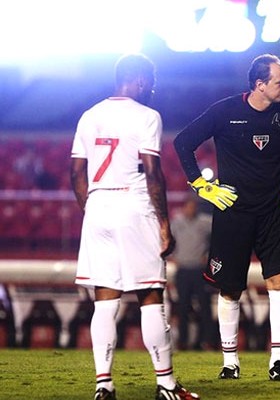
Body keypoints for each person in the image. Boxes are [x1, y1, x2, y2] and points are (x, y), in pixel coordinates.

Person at [174, 54, 280, 381]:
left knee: (279, 282)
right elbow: (183, 142)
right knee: (230, 289)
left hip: (274, 211)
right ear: (259, 85)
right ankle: (230, 362)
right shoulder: (225, 111)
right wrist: (200, 185)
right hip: (232, 213)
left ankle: (278, 361)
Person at [70, 53, 200, 400]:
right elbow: (153, 172)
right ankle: (167, 385)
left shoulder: (89, 115)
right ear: (140, 80)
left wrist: (93, 209)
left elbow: (76, 172)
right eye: (152, 81)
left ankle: (104, 385)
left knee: (105, 301)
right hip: (133, 204)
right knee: (151, 296)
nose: (153, 89)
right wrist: (162, 223)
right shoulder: (147, 116)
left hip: (97, 206)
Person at [170, 196, 214, 351]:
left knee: (205, 307)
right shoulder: (176, 223)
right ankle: (182, 341)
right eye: (188, 207)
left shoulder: (205, 222)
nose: (191, 210)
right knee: (182, 307)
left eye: (193, 207)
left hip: (199, 270)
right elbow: (167, 240)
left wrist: (209, 255)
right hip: (183, 270)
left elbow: (218, 237)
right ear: (184, 208)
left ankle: (207, 341)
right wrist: (172, 256)